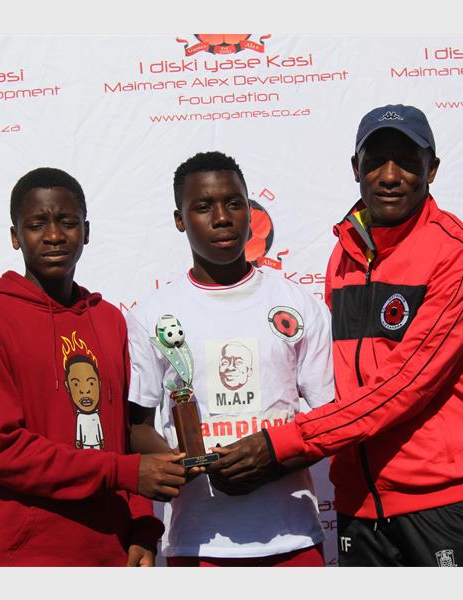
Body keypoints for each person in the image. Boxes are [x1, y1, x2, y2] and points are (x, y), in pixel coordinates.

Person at [209, 105, 463, 567]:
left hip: (441, 505)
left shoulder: (460, 255)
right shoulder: (345, 254)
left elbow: (403, 387)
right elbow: (336, 383)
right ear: (355, 168)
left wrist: (280, 445)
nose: (390, 176)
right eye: (376, 160)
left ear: (432, 169)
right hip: (357, 506)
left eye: (407, 161)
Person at [0, 167, 187, 567]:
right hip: (28, 559)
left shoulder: (108, 320)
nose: (54, 235)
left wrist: (143, 525)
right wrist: (122, 472)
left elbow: (127, 435)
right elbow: (1, 450)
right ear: (15, 236)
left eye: (67, 222)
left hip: (114, 553)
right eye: (37, 224)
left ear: (86, 231)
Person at [127, 151, 334, 566]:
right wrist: (187, 465)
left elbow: (331, 418)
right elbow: (136, 429)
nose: (222, 218)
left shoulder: (298, 305)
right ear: (180, 220)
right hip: (199, 544)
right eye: (203, 207)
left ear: (250, 212)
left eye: (234, 203)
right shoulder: (151, 315)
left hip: (293, 539)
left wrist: (273, 458)